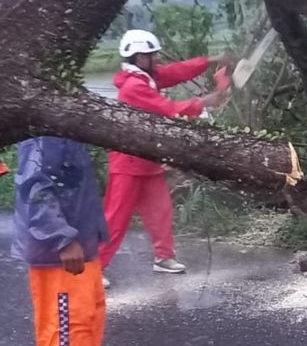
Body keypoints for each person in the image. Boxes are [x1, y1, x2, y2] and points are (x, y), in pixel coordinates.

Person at [98, 29, 230, 283]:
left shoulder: (147, 77)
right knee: (115, 218)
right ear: (138, 58)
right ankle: (95, 267)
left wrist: (212, 60)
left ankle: (164, 257)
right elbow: (168, 109)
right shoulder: (134, 87)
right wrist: (204, 102)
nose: (157, 59)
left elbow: (176, 71)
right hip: (127, 163)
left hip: (147, 160)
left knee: (161, 211)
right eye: (151, 55)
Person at [12, 136, 117, 346]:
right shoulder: (42, 138)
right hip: (58, 249)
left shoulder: (64, 129)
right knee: (64, 324)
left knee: (89, 314)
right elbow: (35, 187)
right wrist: (61, 238)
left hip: (80, 240)